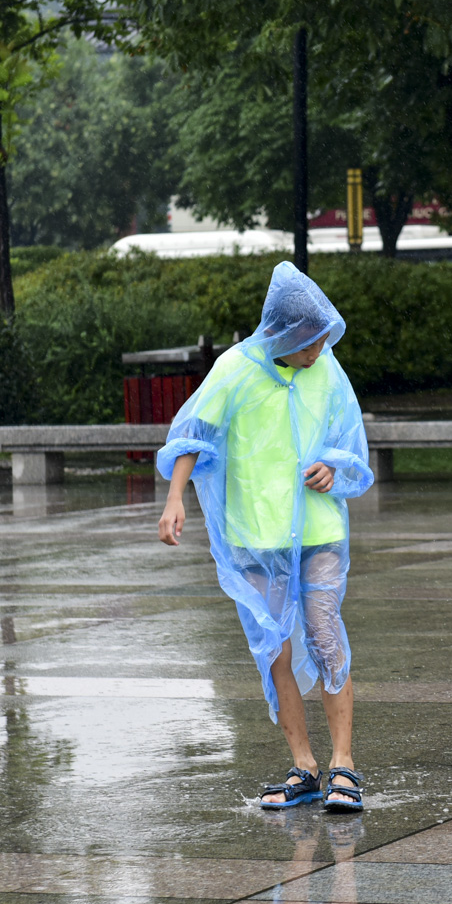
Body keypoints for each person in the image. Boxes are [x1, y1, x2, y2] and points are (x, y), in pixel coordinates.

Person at [157, 262, 374, 813]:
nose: (318, 353)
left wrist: (333, 467)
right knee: (274, 648)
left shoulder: (326, 369)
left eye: (324, 343)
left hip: (319, 529)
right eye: (310, 343)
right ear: (285, 332)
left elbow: (349, 443)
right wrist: (176, 496)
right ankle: (303, 766)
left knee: (325, 636)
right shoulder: (235, 369)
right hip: (258, 534)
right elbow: (193, 434)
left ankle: (343, 764)